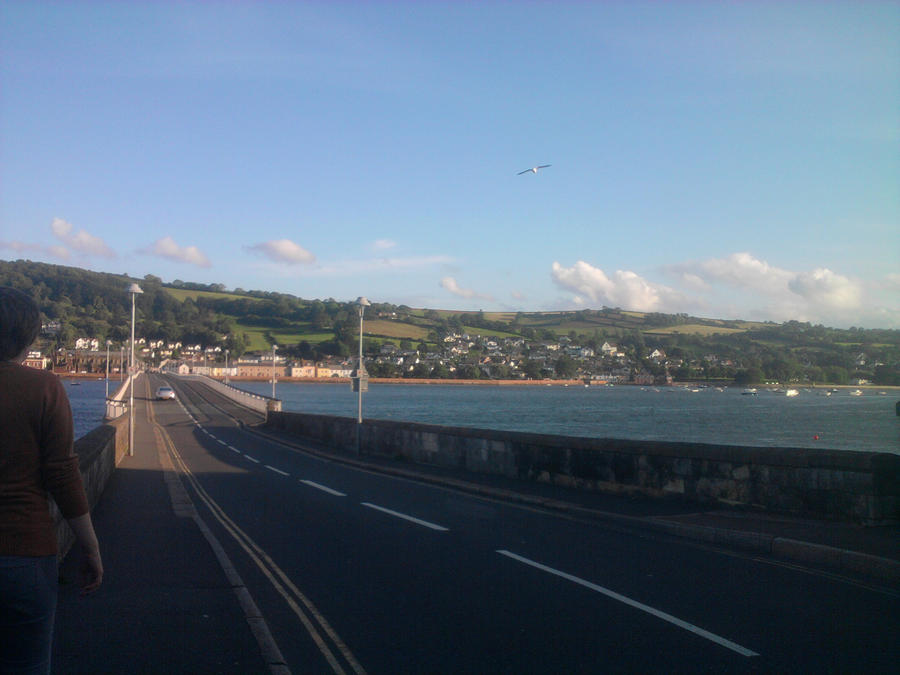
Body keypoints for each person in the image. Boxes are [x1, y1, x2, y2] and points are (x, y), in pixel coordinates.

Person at [0, 286, 103, 674]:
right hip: (25, 554)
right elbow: (63, 473)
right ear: (28, 338)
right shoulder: (44, 387)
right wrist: (90, 546)